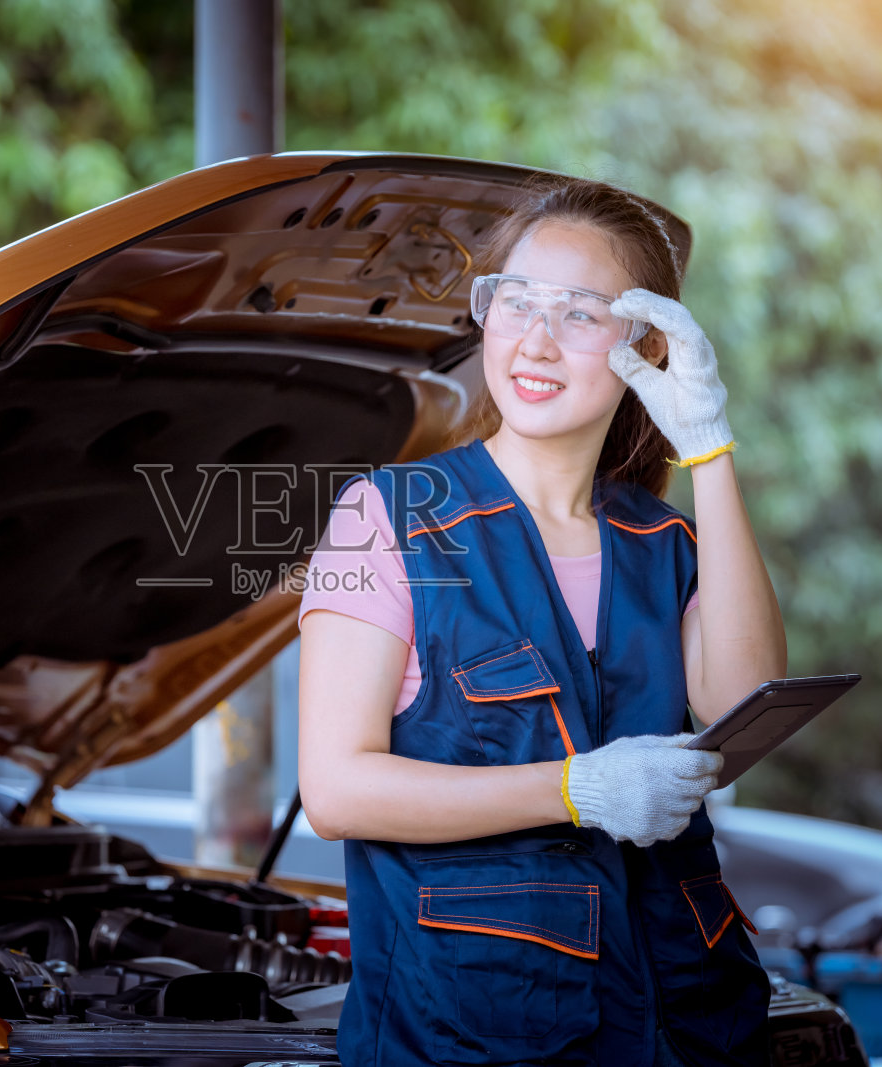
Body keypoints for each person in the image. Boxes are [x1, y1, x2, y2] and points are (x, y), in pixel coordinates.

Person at [296, 176, 787, 1067]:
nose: (537, 337)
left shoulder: (663, 542)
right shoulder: (385, 519)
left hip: (691, 1028)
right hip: (475, 1036)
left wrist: (709, 448)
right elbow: (336, 788)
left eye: (580, 312)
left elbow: (745, 697)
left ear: (645, 342)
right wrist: (573, 788)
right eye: (516, 300)